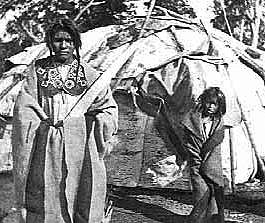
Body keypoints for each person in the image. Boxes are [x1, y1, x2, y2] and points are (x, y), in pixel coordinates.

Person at [12, 17, 118, 223]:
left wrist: (88, 125)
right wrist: (44, 128)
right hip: (47, 144)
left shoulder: (90, 75)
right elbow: (24, 107)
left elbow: (108, 109)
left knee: (83, 190)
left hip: (82, 146)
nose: (63, 45)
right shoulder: (38, 71)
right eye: (58, 40)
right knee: (46, 193)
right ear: (50, 43)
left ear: (75, 43)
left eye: (68, 40)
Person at [181, 87, 226, 223]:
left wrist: (208, 162)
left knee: (214, 192)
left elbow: (215, 145)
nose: (211, 107)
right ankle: (196, 220)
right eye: (209, 102)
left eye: (215, 104)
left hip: (212, 164)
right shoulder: (192, 119)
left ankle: (212, 219)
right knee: (202, 192)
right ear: (203, 101)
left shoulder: (218, 122)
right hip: (196, 162)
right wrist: (196, 158)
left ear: (219, 106)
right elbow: (188, 143)